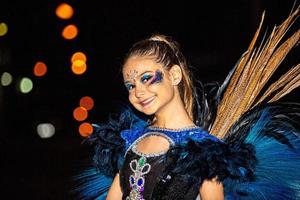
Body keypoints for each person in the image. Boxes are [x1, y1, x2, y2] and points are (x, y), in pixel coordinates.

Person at [73, 6, 300, 200]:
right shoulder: (131, 141)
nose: (138, 92)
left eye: (146, 78)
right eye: (130, 86)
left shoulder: (206, 153)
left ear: (174, 75)